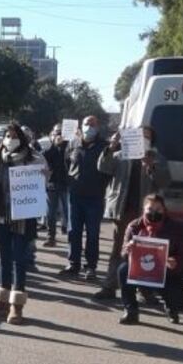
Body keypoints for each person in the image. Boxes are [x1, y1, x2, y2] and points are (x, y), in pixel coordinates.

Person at [93, 126, 171, 299]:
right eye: (140, 135)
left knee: (146, 251)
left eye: (147, 136)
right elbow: (103, 167)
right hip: (123, 211)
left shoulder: (158, 158)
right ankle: (109, 286)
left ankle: (145, 290)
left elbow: (165, 181)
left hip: (146, 216)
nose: (143, 139)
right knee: (118, 250)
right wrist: (112, 146)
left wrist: (151, 167)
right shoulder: (122, 155)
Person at [0, 123, 48, 325]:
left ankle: (16, 306)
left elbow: (42, 182)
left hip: (22, 218)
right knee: (4, 259)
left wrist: (43, 175)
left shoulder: (34, 158)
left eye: (13, 136)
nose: (10, 139)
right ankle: (2, 301)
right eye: (7, 136)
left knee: (19, 260)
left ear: (21, 138)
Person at [117, 194, 183, 325]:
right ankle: (131, 311)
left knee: (180, 302)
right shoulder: (134, 226)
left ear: (164, 210)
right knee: (123, 270)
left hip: (165, 273)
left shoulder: (175, 228)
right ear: (143, 210)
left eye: (158, 209)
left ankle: (172, 309)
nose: (154, 212)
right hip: (139, 270)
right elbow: (123, 252)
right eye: (150, 209)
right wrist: (127, 250)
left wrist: (175, 261)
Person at [59, 116, 111, 280]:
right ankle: (73, 263)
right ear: (82, 126)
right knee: (73, 231)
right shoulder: (74, 143)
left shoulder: (105, 146)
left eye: (93, 124)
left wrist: (100, 185)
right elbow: (67, 163)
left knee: (92, 233)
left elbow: (108, 169)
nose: (89, 127)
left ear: (98, 127)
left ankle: (91, 267)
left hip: (94, 197)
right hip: (75, 195)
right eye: (87, 124)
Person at [43, 124, 69, 247]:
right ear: (51, 135)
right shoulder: (49, 151)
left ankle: (72, 238)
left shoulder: (68, 149)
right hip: (52, 185)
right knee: (51, 213)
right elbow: (44, 160)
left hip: (67, 185)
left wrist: (63, 146)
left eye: (61, 133)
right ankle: (51, 237)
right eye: (56, 133)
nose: (58, 135)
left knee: (68, 212)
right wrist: (55, 146)